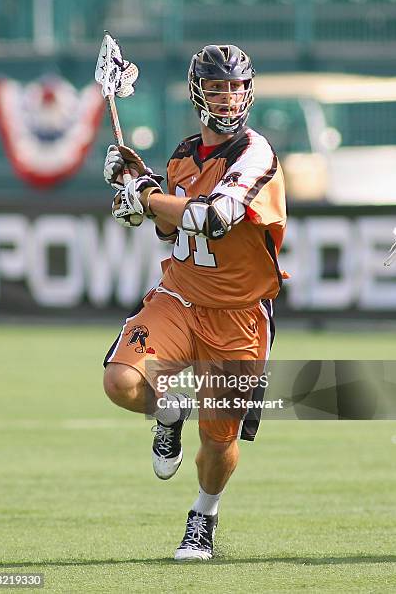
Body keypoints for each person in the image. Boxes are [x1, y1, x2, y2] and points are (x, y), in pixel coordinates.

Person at [102, 44, 287, 561]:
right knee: (121, 381)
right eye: (216, 87)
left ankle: (203, 516)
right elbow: (169, 227)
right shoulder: (184, 155)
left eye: (235, 86)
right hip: (180, 296)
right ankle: (169, 409)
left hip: (240, 316)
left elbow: (214, 217)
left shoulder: (256, 151)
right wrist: (135, 191)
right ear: (196, 92)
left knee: (218, 439)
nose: (227, 98)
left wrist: (145, 194)